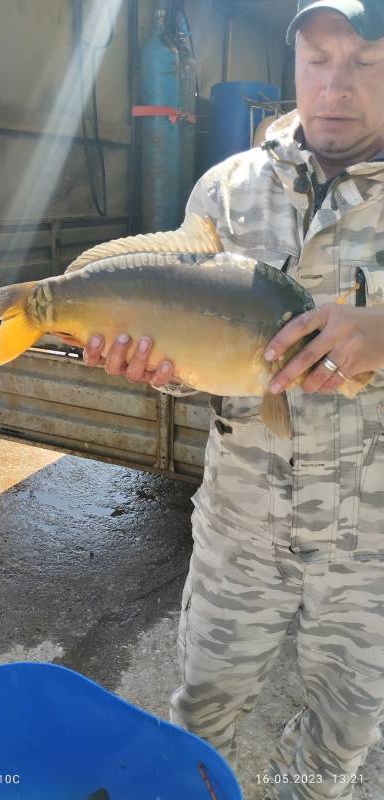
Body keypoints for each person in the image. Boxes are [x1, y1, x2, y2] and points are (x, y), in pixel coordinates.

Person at [83, 1, 384, 797]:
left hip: (372, 554)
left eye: (365, 62)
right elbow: (197, 353)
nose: (336, 86)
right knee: (202, 710)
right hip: (240, 530)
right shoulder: (228, 189)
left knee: (337, 736)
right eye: (318, 60)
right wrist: (158, 367)